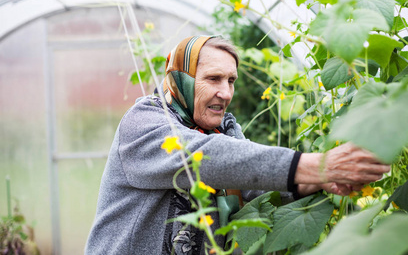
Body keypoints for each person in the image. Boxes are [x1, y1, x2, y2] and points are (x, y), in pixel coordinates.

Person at [85, 35, 390, 254]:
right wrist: (317, 164)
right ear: (180, 79)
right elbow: (207, 158)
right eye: (213, 78)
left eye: (231, 80)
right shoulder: (145, 122)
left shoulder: (223, 132)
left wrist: (323, 179)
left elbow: (256, 191)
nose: (226, 92)